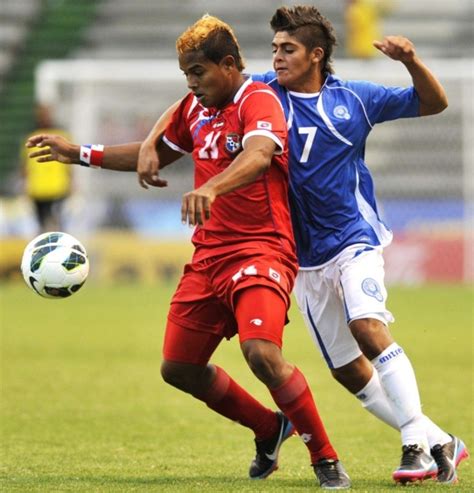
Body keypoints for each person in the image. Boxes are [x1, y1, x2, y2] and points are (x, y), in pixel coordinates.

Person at [136, 6, 469, 486]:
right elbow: (193, 97)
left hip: (355, 238)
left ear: (315, 54)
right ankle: (441, 441)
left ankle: (415, 445)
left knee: (367, 327)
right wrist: (151, 139)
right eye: (273, 48)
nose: (276, 58)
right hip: (305, 258)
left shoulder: (355, 98)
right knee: (349, 373)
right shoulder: (261, 95)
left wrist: (411, 61)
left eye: (287, 49)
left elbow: (432, 102)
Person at [27, 15, 351, 490]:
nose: (191, 84)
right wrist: (78, 152)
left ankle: (324, 457)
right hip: (209, 258)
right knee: (178, 367)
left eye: (197, 73)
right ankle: (269, 427)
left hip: (261, 248)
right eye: (186, 75)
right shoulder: (195, 110)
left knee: (260, 352)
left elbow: (260, 153)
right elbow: (151, 152)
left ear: (227, 64)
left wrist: (213, 188)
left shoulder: (258, 100)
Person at [21, 104, 72, 232]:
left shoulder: (61, 136)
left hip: (58, 187)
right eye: (41, 114)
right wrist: (25, 184)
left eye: (46, 113)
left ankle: (59, 246)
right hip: (37, 189)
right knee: (41, 223)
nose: (44, 117)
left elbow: (71, 161)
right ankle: (44, 247)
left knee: (56, 221)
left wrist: (72, 182)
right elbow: (25, 163)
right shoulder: (31, 137)